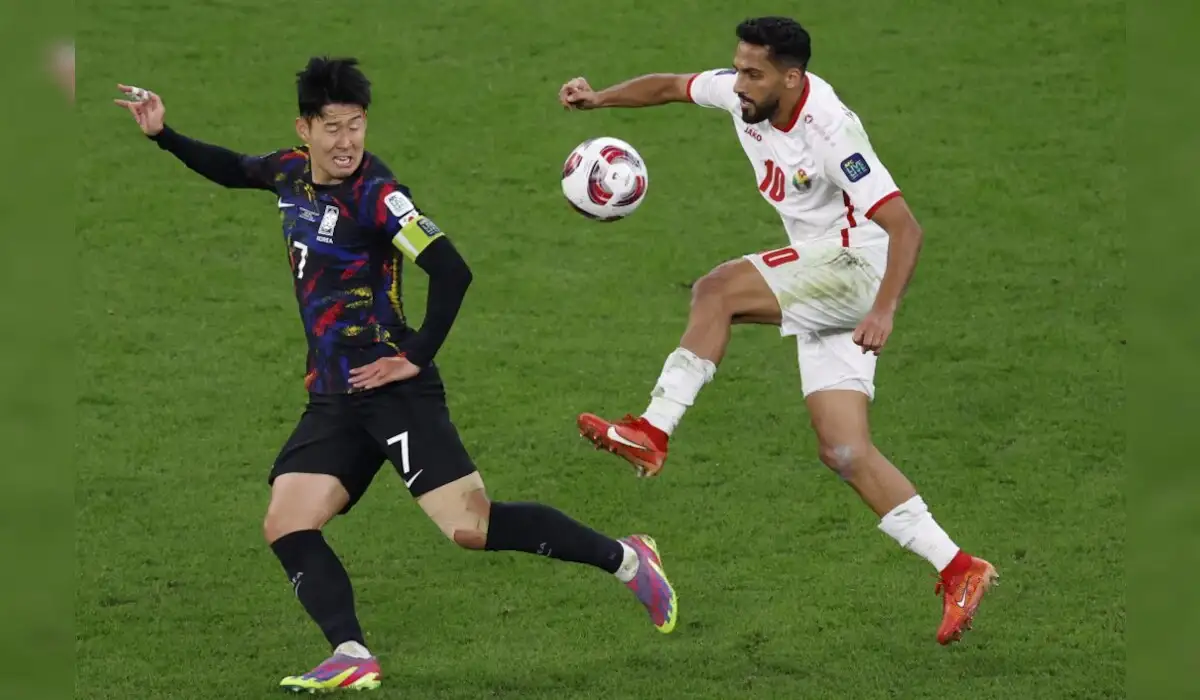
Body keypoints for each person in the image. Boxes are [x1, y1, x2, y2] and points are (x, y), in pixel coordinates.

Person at [115, 56, 678, 693]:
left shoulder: (379, 199)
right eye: (332, 127)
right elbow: (233, 168)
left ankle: (628, 560)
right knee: (288, 522)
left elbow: (452, 271)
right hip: (334, 394)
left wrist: (415, 357)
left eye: (356, 125)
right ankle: (351, 652)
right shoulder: (289, 172)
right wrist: (164, 135)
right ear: (305, 129)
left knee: (471, 527)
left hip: (393, 389)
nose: (346, 141)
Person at [558, 17, 996, 645]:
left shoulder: (829, 129)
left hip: (856, 268)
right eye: (738, 68)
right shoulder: (743, 94)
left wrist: (884, 311)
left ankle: (652, 430)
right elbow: (673, 86)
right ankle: (958, 568)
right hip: (821, 274)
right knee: (844, 450)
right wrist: (599, 97)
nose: (739, 83)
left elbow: (906, 228)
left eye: (753, 74)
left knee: (717, 290)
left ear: (792, 79)